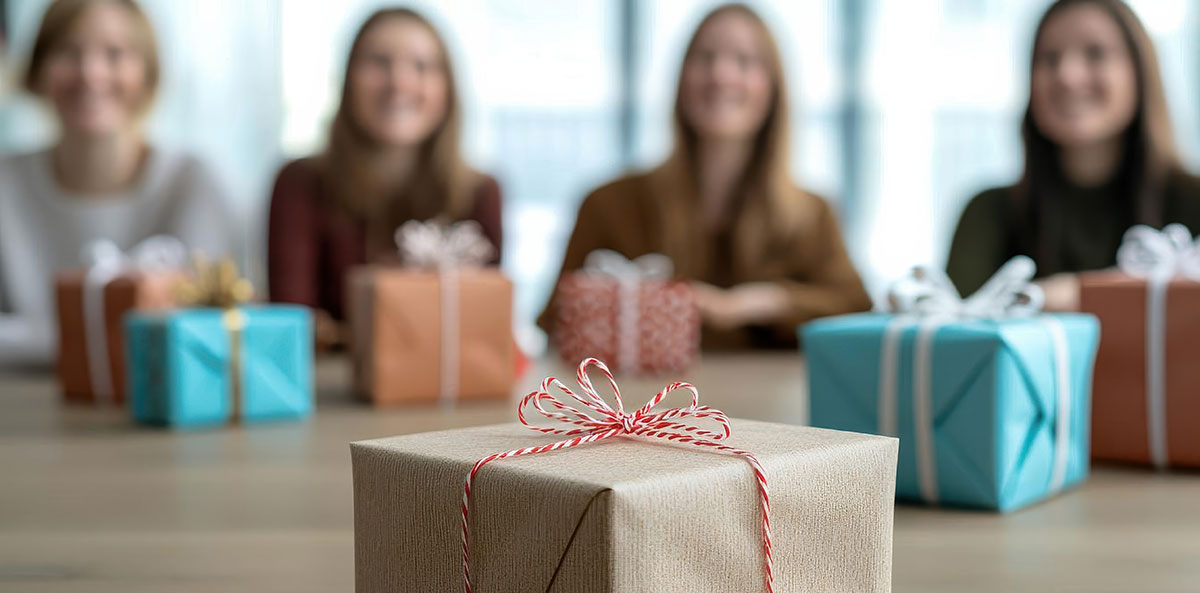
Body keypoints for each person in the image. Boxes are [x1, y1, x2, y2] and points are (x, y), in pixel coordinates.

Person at [539, 3, 870, 350]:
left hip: (774, 402)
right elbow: (555, 322)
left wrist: (750, 304)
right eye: (705, 57)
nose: (721, 74)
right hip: (645, 402)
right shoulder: (607, 204)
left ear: (774, 88)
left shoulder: (811, 214)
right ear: (681, 78)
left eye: (744, 60)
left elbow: (857, 310)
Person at [0, 0, 240, 367]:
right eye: (67, 51)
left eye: (115, 54)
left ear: (148, 74)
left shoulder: (193, 183)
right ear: (38, 70)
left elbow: (203, 331)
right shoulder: (6, 184)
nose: (90, 74)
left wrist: (34, 338)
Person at [268, 7, 502, 346]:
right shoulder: (299, 184)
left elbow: (483, 328)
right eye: (379, 62)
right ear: (348, 80)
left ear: (447, 88)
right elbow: (292, 326)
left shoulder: (480, 193)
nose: (399, 82)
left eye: (422, 66)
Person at [946, 0, 1200, 308]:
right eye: (1049, 59)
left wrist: (1064, 294)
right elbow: (952, 335)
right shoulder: (989, 212)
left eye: (1096, 53)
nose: (1067, 75)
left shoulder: (1192, 202)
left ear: (1140, 73)